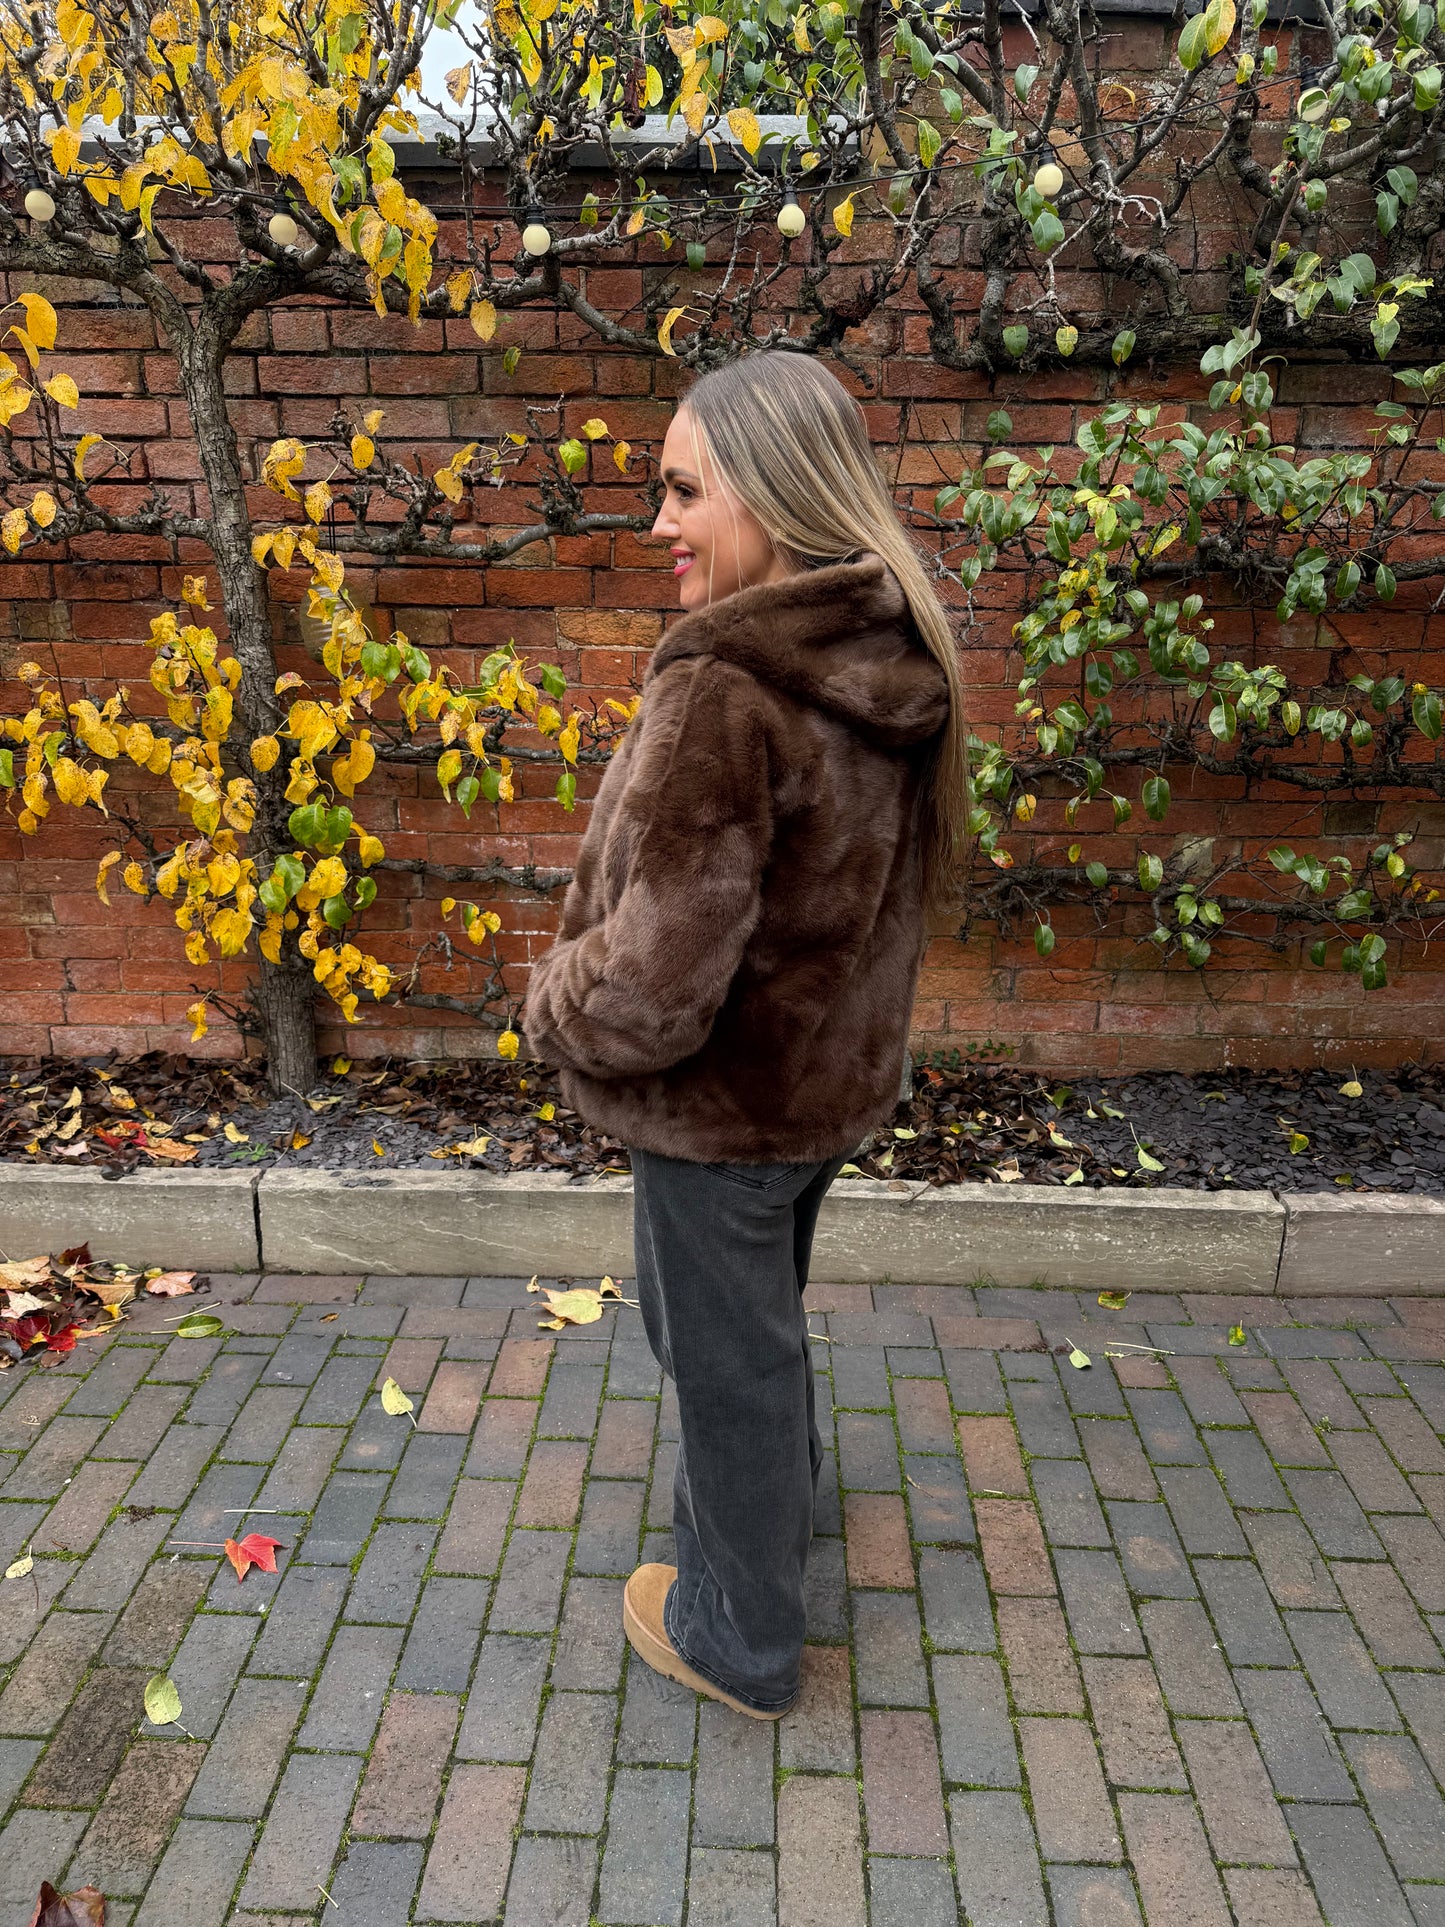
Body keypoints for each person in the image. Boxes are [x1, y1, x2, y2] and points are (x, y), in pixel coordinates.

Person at [522, 351, 969, 1719]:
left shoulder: (725, 687)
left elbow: (653, 985)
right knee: (749, 1333)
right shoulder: (887, 656)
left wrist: (550, 1000)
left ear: (771, 495)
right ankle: (779, 1505)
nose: (656, 523)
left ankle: (740, 1636)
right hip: (814, 1092)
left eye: (681, 492)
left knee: (719, 1355)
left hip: (716, 1109)